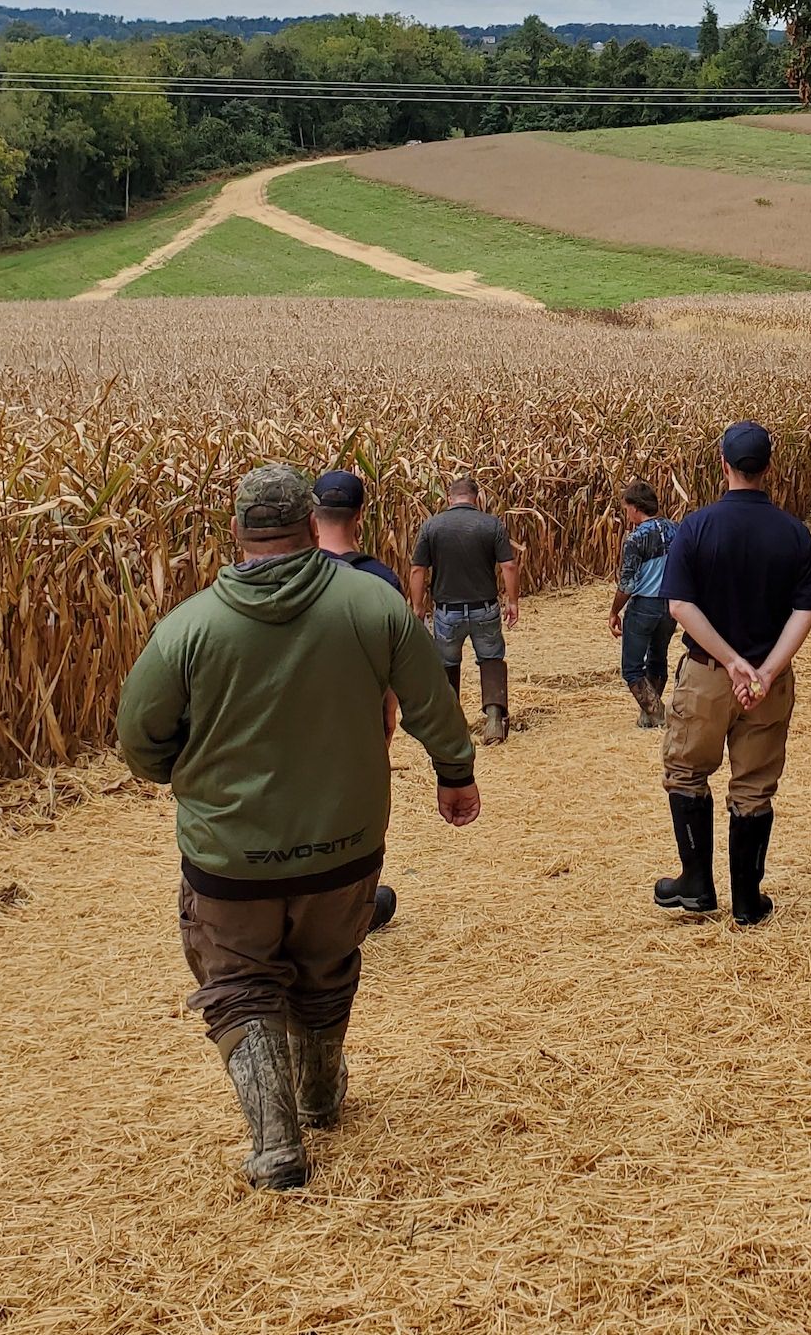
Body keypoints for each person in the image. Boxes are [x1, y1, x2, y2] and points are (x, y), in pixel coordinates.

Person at [117, 464, 480, 1192]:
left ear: (236, 534)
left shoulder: (186, 628)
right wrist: (454, 772)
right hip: (343, 850)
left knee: (238, 987)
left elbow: (139, 740)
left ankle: (276, 1142)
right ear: (312, 527)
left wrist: (180, 777)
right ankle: (320, 1095)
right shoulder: (372, 606)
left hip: (228, 860)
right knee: (327, 971)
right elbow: (428, 700)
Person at [654, 421, 811, 925]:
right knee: (753, 786)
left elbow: (681, 606)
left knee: (686, 772)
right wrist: (765, 671)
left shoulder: (696, 527)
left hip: (707, 674)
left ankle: (696, 886)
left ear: (722, 465)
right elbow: (805, 610)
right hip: (767, 685)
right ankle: (748, 902)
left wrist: (729, 661)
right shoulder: (794, 533)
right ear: (769, 468)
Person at [313, 468, 404, 934]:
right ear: (361, 515)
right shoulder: (380, 581)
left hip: (300, 722)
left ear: (312, 514)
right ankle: (354, 904)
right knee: (359, 812)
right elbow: (392, 662)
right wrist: (387, 711)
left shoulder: (287, 576)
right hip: (358, 720)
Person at [407, 474, 519, 747]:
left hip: (447, 612)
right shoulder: (491, 524)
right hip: (485, 608)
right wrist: (512, 601)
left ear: (448, 500)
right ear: (477, 499)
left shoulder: (432, 526)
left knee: (446, 665)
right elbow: (509, 566)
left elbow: (417, 569)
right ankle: (494, 719)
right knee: (491, 658)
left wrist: (418, 606)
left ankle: (451, 724)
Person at [607, 479, 677, 729]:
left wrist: (614, 611)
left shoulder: (635, 539)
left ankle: (657, 713)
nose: (626, 513)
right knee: (658, 658)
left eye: (626, 508)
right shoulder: (675, 529)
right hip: (670, 605)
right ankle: (649, 717)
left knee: (632, 668)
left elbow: (627, 582)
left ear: (636, 508)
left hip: (644, 606)